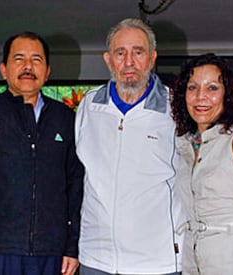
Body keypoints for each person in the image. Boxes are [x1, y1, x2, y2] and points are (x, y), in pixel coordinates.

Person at [0, 31, 84, 275]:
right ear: (4, 69)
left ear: (48, 71)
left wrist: (72, 246)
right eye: (19, 59)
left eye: (36, 59)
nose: (28, 66)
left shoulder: (66, 120)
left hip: (51, 255)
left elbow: (76, 186)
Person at [75, 18, 184, 275]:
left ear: (152, 58)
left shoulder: (176, 108)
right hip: (96, 258)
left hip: (158, 262)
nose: (129, 62)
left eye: (138, 52)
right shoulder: (89, 106)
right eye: (120, 53)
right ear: (108, 59)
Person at [171, 53, 233, 274]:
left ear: (227, 94)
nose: (200, 97)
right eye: (193, 87)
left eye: (212, 88)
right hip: (191, 259)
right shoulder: (184, 143)